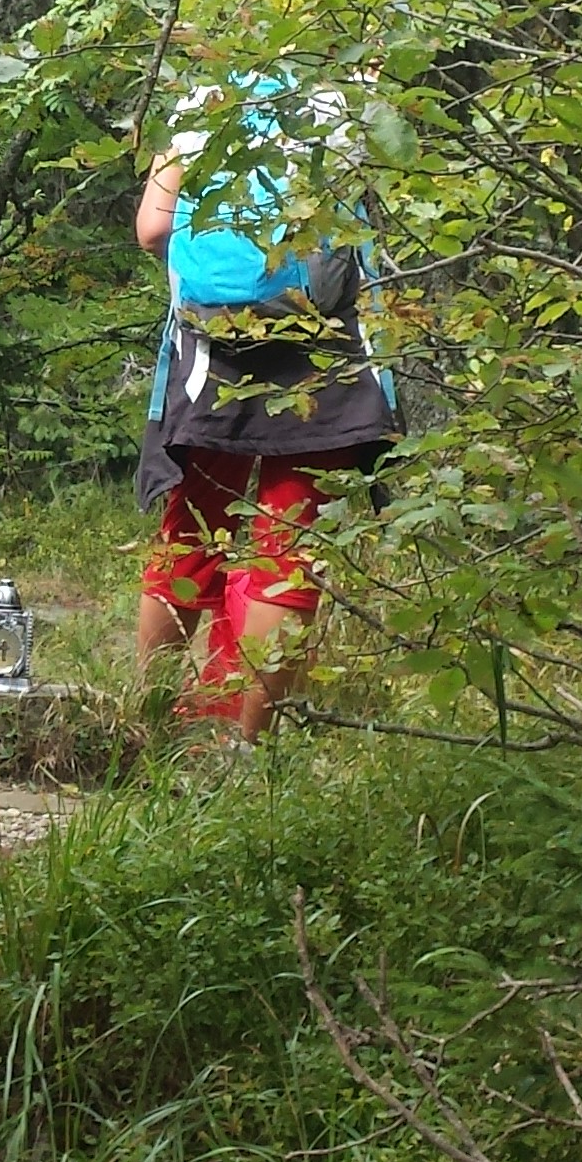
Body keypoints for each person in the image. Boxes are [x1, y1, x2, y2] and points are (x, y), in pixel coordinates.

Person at [134, 83, 393, 739]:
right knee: (288, 549)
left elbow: (153, 230)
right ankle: (248, 749)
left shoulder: (205, 100)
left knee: (189, 535)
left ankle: (146, 724)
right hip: (325, 357)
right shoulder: (353, 98)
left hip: (210, 349)